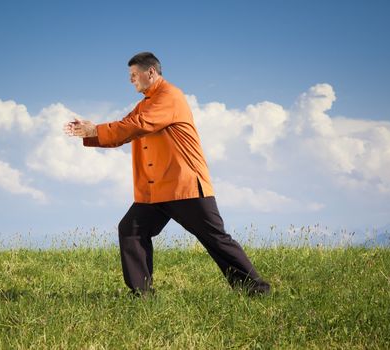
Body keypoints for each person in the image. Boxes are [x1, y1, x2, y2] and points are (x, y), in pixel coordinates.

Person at [64, 52, 270, 296]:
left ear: (150, 72)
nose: (130, 80)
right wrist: (90, 132)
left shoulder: (170, 96)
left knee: (215, 238)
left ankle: (256, 288)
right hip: (156, 190)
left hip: (185, 186)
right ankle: (142, 294)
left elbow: (138, 125)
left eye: (133, 75)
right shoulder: (145, 104)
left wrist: (95, 129)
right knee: (131, 229)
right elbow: (125, 131)